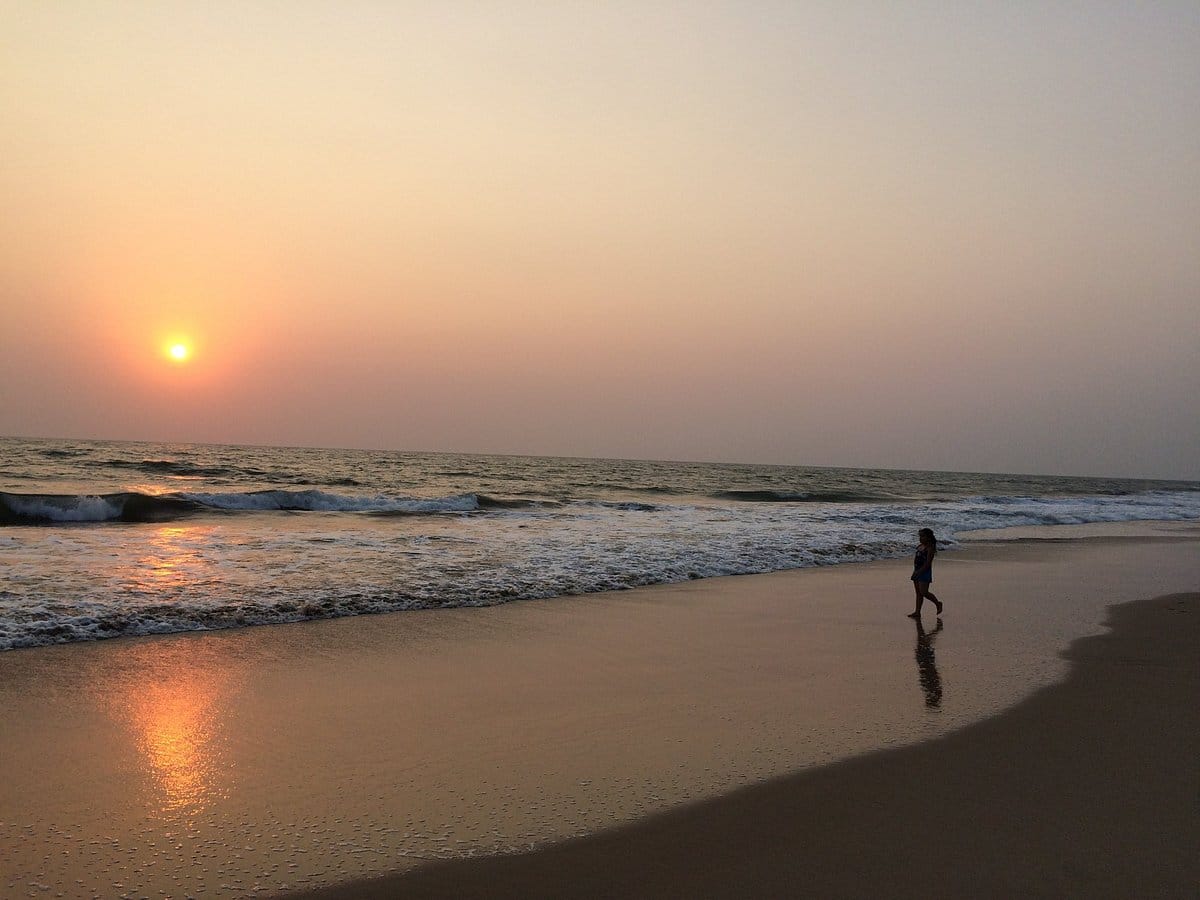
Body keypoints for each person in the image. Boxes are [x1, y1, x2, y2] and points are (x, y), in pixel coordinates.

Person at [907, 527, 943, 618]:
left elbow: (928, 563)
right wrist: (916, 571)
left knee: (924, 592)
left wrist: (920, 571)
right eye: (920, 536)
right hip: (916, 570)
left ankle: (937, 603)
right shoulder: (920, 546)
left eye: (923, 536)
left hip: (924, 572)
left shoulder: (930, 548)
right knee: (918, 593)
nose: (921, 538)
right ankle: (917, 612)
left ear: (928, 537)